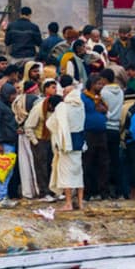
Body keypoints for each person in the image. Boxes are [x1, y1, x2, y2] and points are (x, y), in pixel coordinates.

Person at [46, 79, 86, 211]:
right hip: (79, 142)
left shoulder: (63, 107)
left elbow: (52, 123)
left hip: (66, 143)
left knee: (66, 174)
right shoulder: (81, 106)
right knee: (78, 173)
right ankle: (80, 203)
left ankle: (68, 203)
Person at [24, 89, 60, 201]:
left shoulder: (55, 110)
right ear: (49, 105)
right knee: (41, 168)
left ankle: (52, 191)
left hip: (51, 140)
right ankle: (44, 193)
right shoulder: (38, 109)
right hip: (39, 140)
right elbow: (28, 127)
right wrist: (35, 142)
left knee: (52, 166)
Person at [0, 83, 19, 207]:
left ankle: (0, 195)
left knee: (2, 171)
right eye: (12, 94)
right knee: (5, 171)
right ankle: (0, 198)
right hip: (4, 143)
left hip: (7, 141)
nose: (14, 97)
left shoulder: (3, 105)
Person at [81, 74, 110, 199]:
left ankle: (102, 191)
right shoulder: (84, 98)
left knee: (103, 163)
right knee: (88, 163)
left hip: (102, 133)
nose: (100, 86)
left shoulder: (100, 98)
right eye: (98, 84)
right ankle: (88, 192)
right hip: (89, 133)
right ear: (91, 85)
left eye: (101, 84)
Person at [100, 68, 124, 198]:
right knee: (116, 160)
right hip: (116, 128)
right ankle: (118, 190)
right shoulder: (120, 91)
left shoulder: (103, 92)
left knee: (105, 160)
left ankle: (107, 190)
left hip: (106, 126)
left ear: (104, 79)